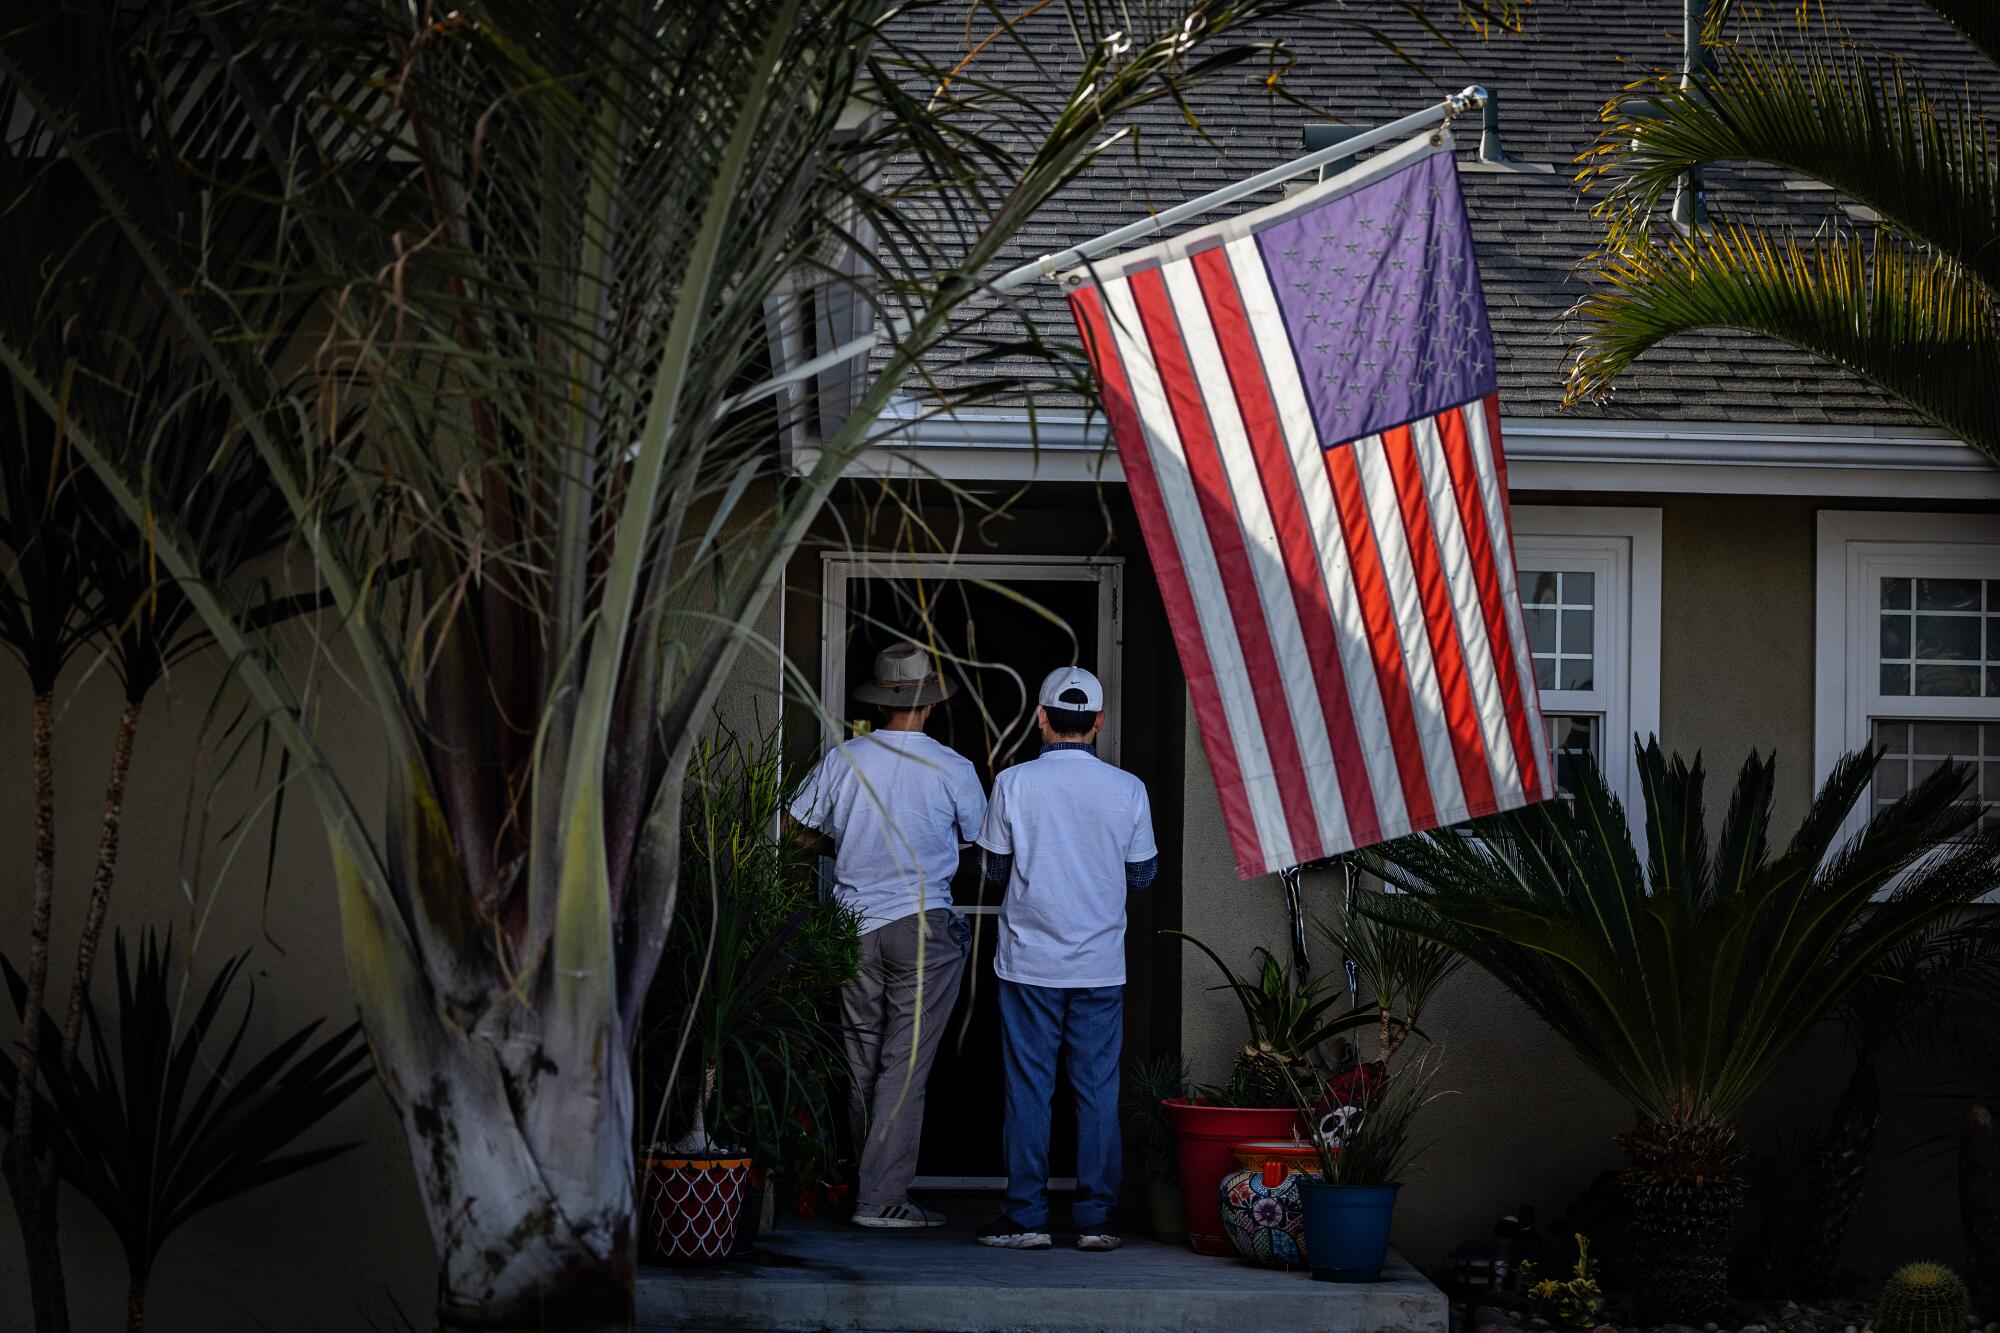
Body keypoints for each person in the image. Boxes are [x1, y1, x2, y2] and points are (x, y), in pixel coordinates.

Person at [787, 641, 985, 1229]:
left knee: (862, 1060)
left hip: (852, 927)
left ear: (881, 701)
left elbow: (792, 830)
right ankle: (881, 1199)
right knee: (905, 1066)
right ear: (927, 704)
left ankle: (867, 1186)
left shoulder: (845, 758)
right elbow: (979, 842)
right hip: (923, 925)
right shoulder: (953, 768)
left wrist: (844, 847)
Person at [973, 665, 1156, 1252]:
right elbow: (1143, 875)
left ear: (1043, 719)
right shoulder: (1128, 789)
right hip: (1100, 964)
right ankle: (1098, 1218)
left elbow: (993, 872)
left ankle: (1026, 1216)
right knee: (1097, 1089)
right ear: (1098, 722)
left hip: (1029, 963)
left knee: (1030, 1088)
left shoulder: (1013, 783)